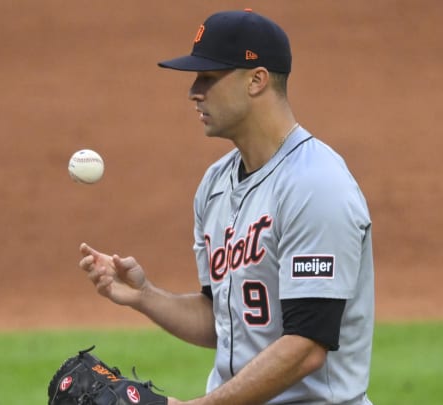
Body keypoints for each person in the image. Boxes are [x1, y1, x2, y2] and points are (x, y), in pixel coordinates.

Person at [79, 9, 375, 405]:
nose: (193, 91)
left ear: (257, 80)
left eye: (209, 77)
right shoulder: (215, 185)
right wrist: (145, 296)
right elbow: (224, 322)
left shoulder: (316, 185)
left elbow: (306, 346)